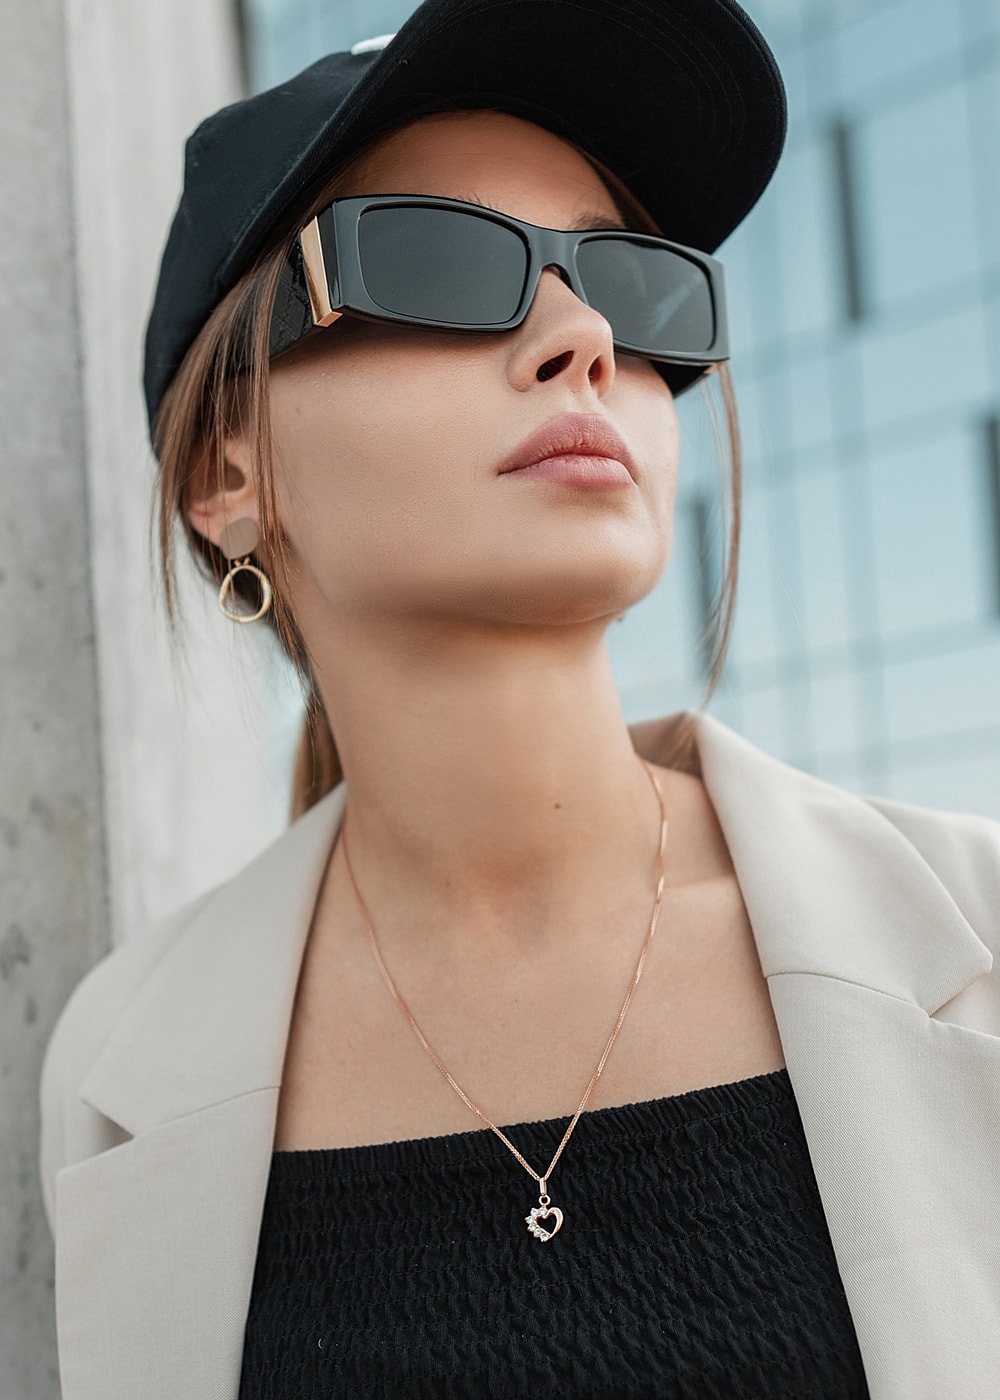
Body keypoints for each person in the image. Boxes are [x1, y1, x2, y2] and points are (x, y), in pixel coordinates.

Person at [38, 1, 1000, 1397]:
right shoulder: (116, 1066)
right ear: (226, 475)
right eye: (432, 257)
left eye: (635, 281)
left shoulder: (980, 934)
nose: (584, 336)